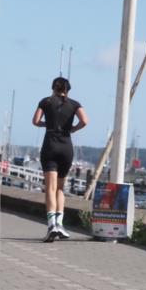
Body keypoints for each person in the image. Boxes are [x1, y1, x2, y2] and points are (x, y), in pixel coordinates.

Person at [32, 77, 88, 242]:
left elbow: (35, 121)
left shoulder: (45, 102)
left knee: (50, 188)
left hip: (50, 144)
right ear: (67, 90)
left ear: (53, 88)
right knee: (60, 188)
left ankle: (51, 226)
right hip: (66, 146)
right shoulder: (75, 104)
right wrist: (72, 129)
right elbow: (85, 121)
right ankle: (60, 224)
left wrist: (47, 124)